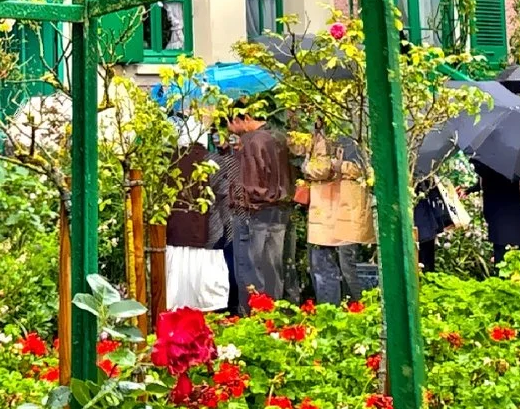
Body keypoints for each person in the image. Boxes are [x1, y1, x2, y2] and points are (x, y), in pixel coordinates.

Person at [220, 104, 295, 307]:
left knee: (249, 268)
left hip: (251, 210)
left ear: (245, 118)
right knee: (273, 266)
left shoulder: (250, 141)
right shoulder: (279, 137)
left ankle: (253, 316)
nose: (231, 127)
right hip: (280, 207)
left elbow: (245, 181)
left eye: (233, 122)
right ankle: (274, 314)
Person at [301, 129, 375, 305]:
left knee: (339, 266)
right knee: (345, 264)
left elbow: (322, 168)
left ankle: (348, 310)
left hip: (336, 208)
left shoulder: (331, 133)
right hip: (340, 208)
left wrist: (306, 167)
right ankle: (355, 309)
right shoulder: (356, 130)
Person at [159, 131, 230, 312]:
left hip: (173, 231)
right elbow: (224, 194)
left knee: (174, 287)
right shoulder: (212, 160)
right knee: (204, 291)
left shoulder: (166, 159)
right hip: (205, 231)